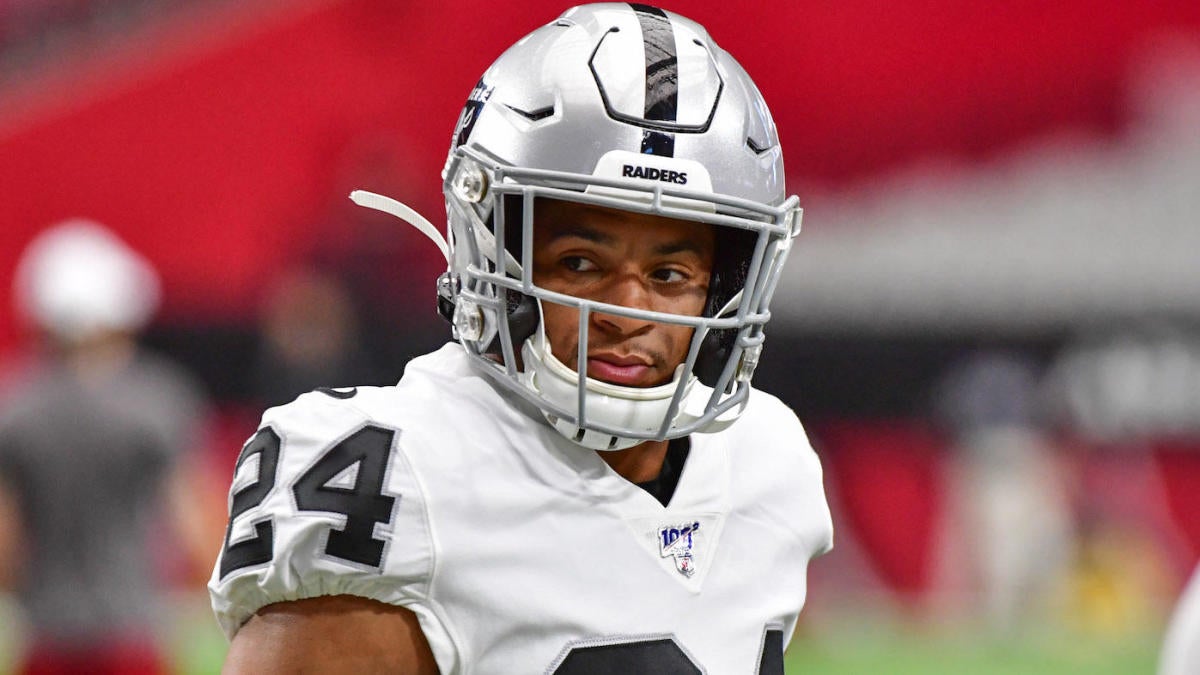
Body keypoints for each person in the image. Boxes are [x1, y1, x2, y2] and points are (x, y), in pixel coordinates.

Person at [208, 4, 833, 672]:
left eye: (670, 272)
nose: (627, 311)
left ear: (727, 284)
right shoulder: (394, 472)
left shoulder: (769, 459)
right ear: (493, 256)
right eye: (580, 263)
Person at [0, 220, 214, 675]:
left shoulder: (16, 406)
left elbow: (5, 543)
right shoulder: (158, 399)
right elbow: (195, 532)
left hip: (46, 639)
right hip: (134, 639)